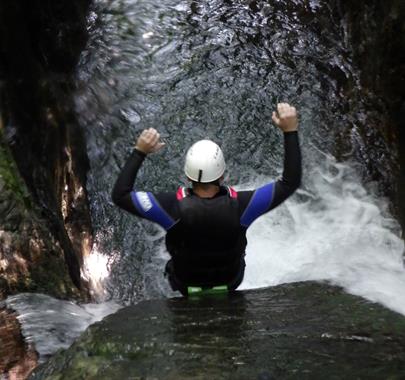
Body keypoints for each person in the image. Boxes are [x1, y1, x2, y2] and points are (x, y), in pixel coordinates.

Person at [112, 103, 301, 296]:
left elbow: (121, 195)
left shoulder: (170, 208)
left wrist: (140, 151)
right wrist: (290, 130)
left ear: (188, 176)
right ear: (222, 175)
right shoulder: (244, 206)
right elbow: (289, 183)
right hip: (231, 281)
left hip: (184, 284)